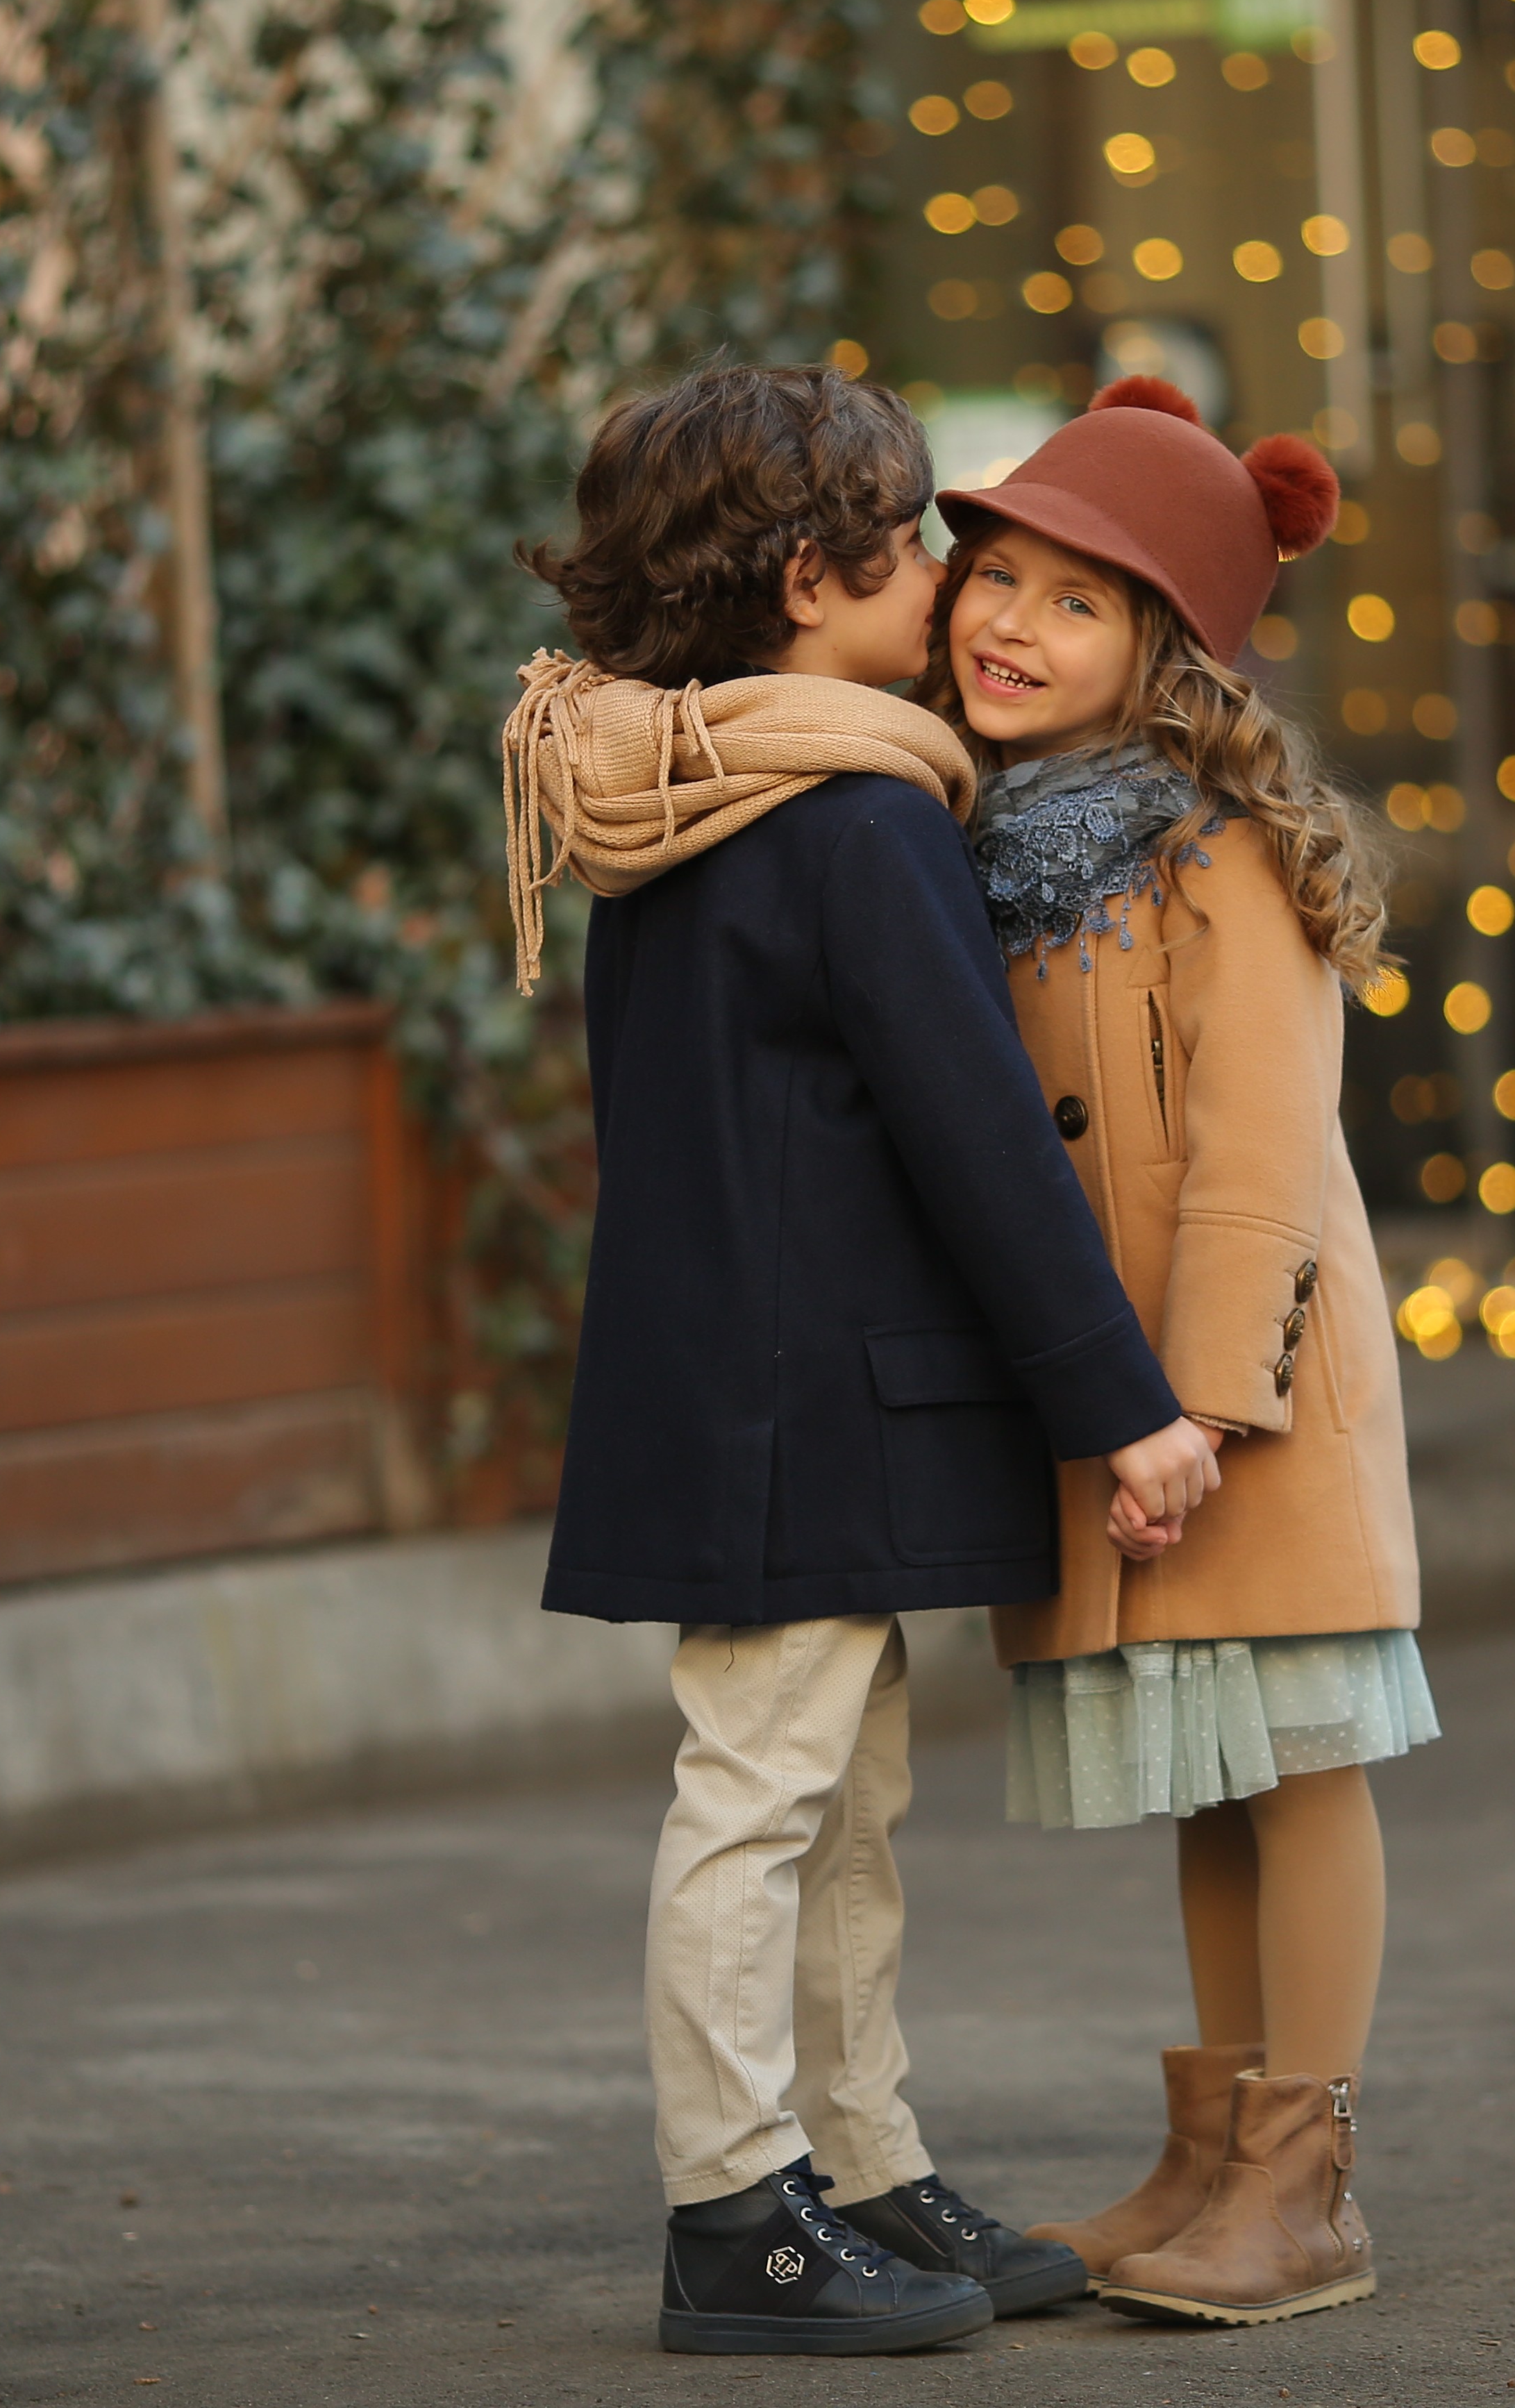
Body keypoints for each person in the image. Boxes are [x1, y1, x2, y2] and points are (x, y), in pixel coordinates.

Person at [499, 362, 1231, 2358]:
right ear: (808, 580)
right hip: (804, 1394)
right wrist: (1124, 1405)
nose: (941, 580)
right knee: (765, 1797)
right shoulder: (854, 817)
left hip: (748, 1379)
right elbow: (979, 1138)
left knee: (839, 1800)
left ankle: (860, 2158)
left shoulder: (689, 786)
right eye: (910, 544)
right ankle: (737, 2210)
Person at [913, 374, 1437, 2330]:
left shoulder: (1217, 854)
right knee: (1209, 1778)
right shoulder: (990, 846)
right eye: (996, 576)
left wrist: (1204, 1403)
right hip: (1120, 1400)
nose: (1008, 623)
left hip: (1244, 1398)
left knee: (1295, 1762)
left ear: (1167, 654)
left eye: (1075, 602)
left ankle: (1307, 2187)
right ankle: (1213, 2155)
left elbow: (1261, 1155)